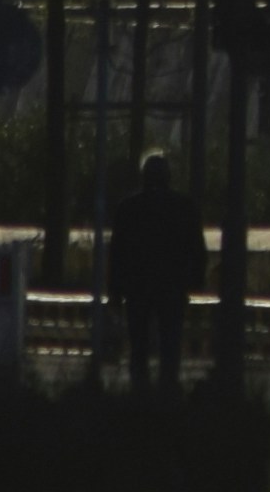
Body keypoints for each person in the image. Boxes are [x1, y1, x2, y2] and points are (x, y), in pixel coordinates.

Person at [103, 146, 201, 393]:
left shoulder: (128, 209)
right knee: (170, 342)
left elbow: (117, 254)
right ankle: (168, 388)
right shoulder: (183, 207)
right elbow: (196, 249)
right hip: (171, 287)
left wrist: (115, 291)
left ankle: (140, 391)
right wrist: (192, 281)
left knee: (139, 344)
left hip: (138, 288)